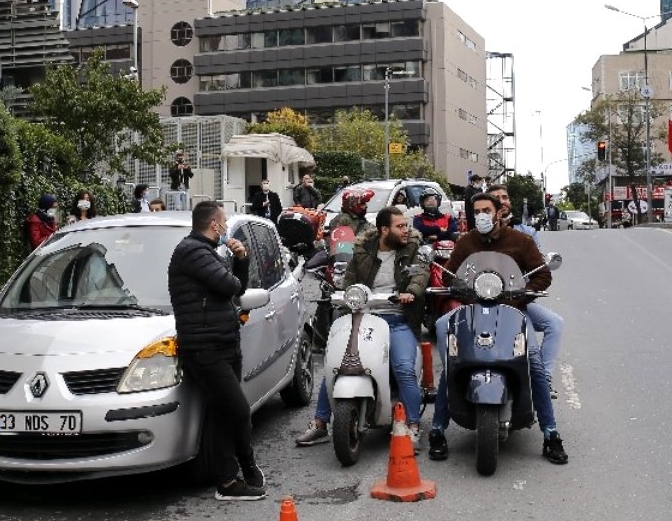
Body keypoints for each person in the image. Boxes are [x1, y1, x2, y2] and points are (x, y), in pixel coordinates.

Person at [428, 192, 568, 466]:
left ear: (498, 213)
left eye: (486, 210)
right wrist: (467, 291)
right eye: (477, 210)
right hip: (473, 310)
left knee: (534, 364)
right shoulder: (466, 242)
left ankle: (551, 433)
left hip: (514, 310)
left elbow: (542, 273)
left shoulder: (520, 241)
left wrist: (521, 294)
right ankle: (437, 430)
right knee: (452, 362)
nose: (482, 215)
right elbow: (449, 275)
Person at [296, 206, 427, 448]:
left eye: (406, 225)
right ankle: (320, 423)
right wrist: (342, 299)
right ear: (384, 229)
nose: (406, 230)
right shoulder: (362, 250)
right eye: (400, 226)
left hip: (398, 320)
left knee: (404, 368)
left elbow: (421, 275)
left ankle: (412, 425)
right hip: (363, 317)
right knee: (336, 365)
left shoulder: (413, 250)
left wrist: (410, 292)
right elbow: (349, 283)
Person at [167, 201, 265, 500]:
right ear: (214, 224)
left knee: (223, 414)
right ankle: (242, 470)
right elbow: (229, 287)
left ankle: (226, 478)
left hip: (222, 343)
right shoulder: (193, 251)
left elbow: (239, 289)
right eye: (223, 222)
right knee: (237, 410)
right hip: (205, 347)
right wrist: (235, 264)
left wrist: (242, 258)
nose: (225, 227)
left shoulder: (207, 253)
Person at [487, 184, 562, 396]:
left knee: (555, 324)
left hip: (519, 300)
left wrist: (526, 290)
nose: (502, 201)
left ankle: (543, 380)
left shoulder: (526, 233)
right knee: (445, 328)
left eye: (505, 196)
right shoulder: (479, 233)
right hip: (486, 300)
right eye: (496, 198)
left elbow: (538, 267)